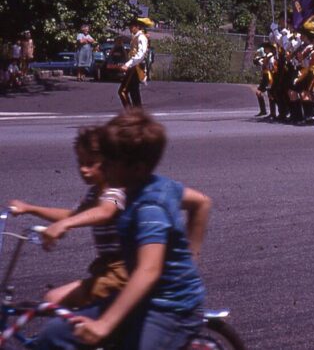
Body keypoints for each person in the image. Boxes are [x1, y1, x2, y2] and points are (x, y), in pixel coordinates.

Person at [36, 110, 212, 350]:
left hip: (171, 308)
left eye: (109, 162)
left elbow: (149, 270)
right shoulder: (154, 186)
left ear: (137, 168)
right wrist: (193, 258)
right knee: (54, 334)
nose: (103, 167)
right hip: (140, 297)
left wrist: (105, 324)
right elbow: (202, 202)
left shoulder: (150, 207)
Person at [7, 127, 128, 309]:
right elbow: (74, 215)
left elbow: (105, 212)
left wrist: (65, 224)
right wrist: (30, 208)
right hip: (106, 267)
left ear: (109, 163)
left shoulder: (116, 189)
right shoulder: (95, 192)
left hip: (123, 270)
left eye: (91, 163)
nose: (83, 169)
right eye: (80, 163)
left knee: (52, 300)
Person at [118, 18, 152, 110]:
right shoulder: (135, 37)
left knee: (123, 91)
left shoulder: (141, 37)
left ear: (137, 27)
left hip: (136, 68)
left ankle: (131, 113)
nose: (130, 28)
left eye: (132, 26)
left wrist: (128, 64)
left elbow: (141, 54)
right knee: (134, 91)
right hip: (133, 67)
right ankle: (137, 113)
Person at [253, 41, 276, 118]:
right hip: (265, 76)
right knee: (258, 92)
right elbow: (261, 62)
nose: (265, 49)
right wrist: (257, 60)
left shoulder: (271, 56)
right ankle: (263, 110)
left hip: (270, 76)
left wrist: (262, 62)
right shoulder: (266, 56)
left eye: (266, 47)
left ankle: (273, 113)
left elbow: (271, 66)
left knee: (270, 94)